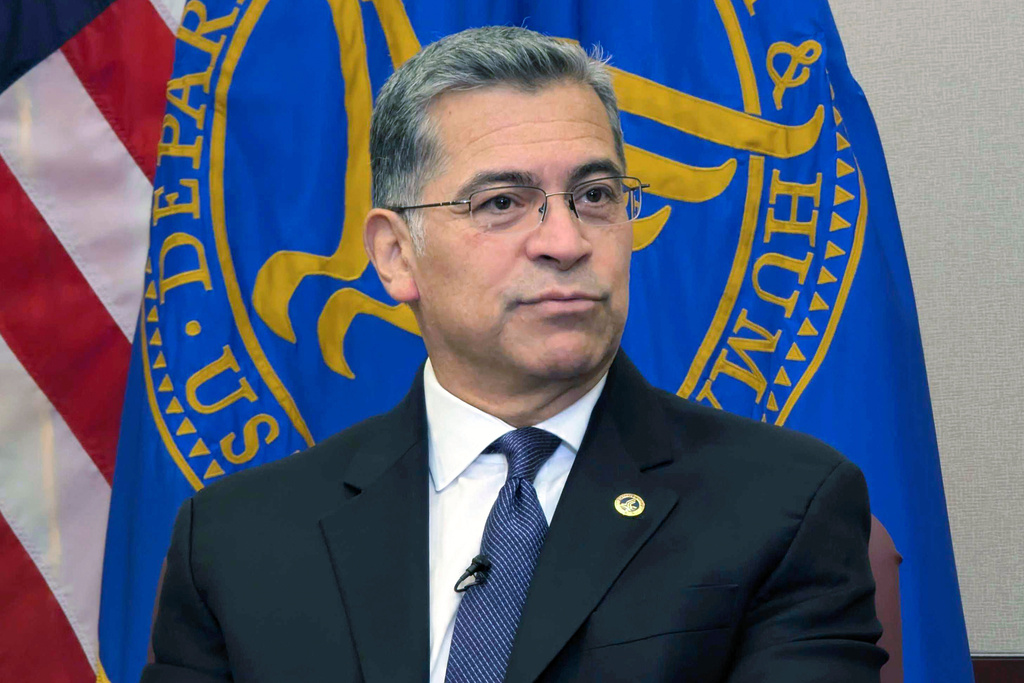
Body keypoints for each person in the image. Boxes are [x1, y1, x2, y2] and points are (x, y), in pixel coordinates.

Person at [142, 26, 886, 683]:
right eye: (500, 202)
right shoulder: (236, 541)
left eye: (595, 194)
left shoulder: (783, 511)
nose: (565, 242)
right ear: (396, 256)